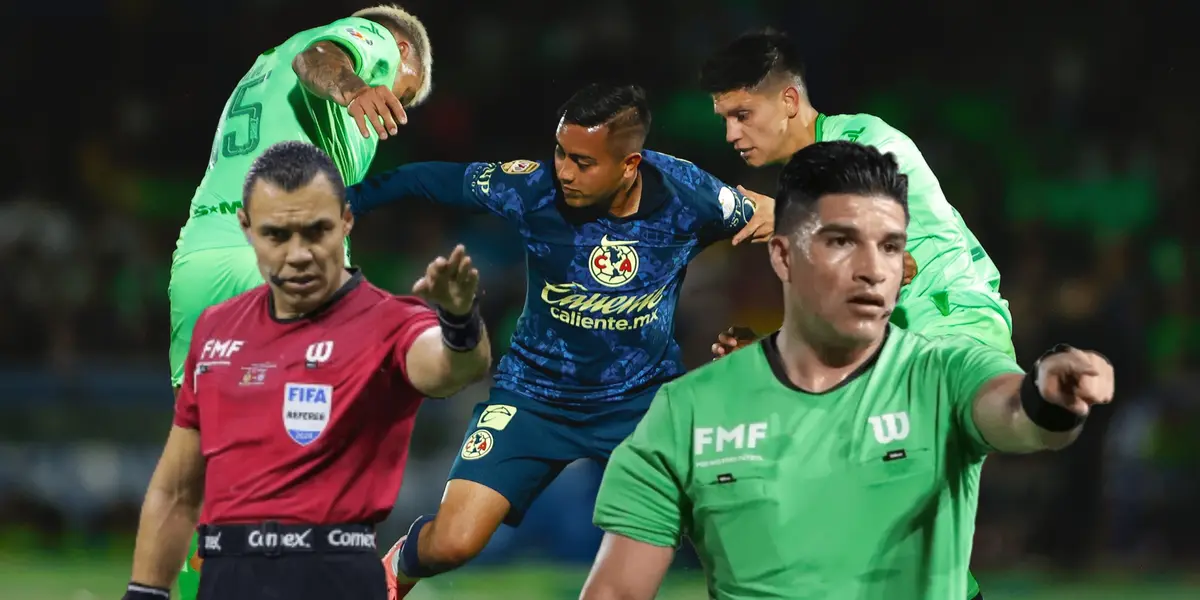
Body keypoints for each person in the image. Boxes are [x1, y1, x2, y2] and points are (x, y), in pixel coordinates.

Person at [579, 141, 1115, 600]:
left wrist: (1050, 392)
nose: (871, 270)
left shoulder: (942, 372)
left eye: (889, 246)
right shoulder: (688, 412)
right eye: (841, 242)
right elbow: (616, 590)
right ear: (783, 256)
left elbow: (1017, 412)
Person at [346, 82, 774, 598]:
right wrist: (341, 204)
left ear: (630, 164)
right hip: (533, 398)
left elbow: (788, 230)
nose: (564, 171)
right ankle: (396, 571)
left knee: (728, 539)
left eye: (582, 162)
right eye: (559, 152)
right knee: (452, 545)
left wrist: (769, 341)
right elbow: (431, 180)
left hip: (640, 405)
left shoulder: (691, 197)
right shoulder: (535, 189)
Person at [700, 30, 1010, 598]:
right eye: (723, 118)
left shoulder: (864, 143)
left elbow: (899, 266)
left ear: (789, 101)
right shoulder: (814, 177)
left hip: (951, 333)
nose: (732, 134)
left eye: (743, 114)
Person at [122, 141, 491, 600]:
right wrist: (145, 593)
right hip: (225, 578)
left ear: (346, 222)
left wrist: (458, 319)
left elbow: (455, 368)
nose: (298, 253)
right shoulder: (216, 329)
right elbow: (176, 490)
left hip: (333, 577)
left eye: (316, 232)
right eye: (277, 234)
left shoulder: (389, 322)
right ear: (247, 228)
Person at [168, 6, 433, 597]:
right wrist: (358, 85)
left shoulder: (262, 69)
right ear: (405, 56)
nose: (396, 113)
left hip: (201, 254)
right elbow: (321, 61)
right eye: (405, 97)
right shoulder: (373, 44)